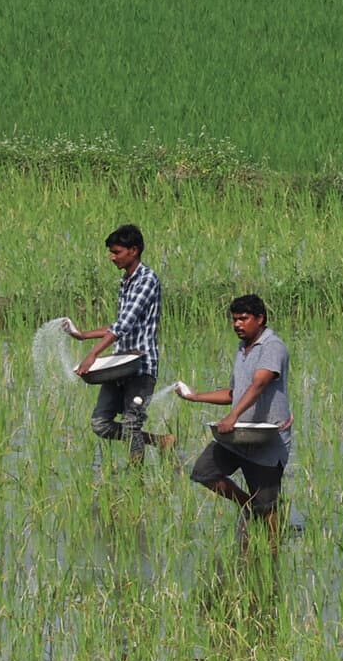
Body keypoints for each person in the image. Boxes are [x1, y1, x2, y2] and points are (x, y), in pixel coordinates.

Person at [177, 295, 293, 535]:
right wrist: (195, 396)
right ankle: (247, 505)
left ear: (260, 319)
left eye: (244, 318)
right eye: (234, 319)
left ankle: (274, 550)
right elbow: (233, 392)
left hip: (267, 439)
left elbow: (259, 384)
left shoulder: (273, 347)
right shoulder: (242, 349)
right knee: (204, 472)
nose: (237, 324)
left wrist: (232, 416)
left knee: (268, 506)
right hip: (238, 436)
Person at [64, 223, 171, 461]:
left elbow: (123, 326)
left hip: (141, 366)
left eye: (117, 252)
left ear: (133, 250)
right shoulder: (126, 281)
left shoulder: (147, 279)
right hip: (120, 364)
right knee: (101, 424)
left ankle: (136, 478)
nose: (112, 258)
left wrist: (92, 354)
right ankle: (160, 440)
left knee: (132, 423)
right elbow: (120, 323)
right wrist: (83, 334)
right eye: (111, 252)